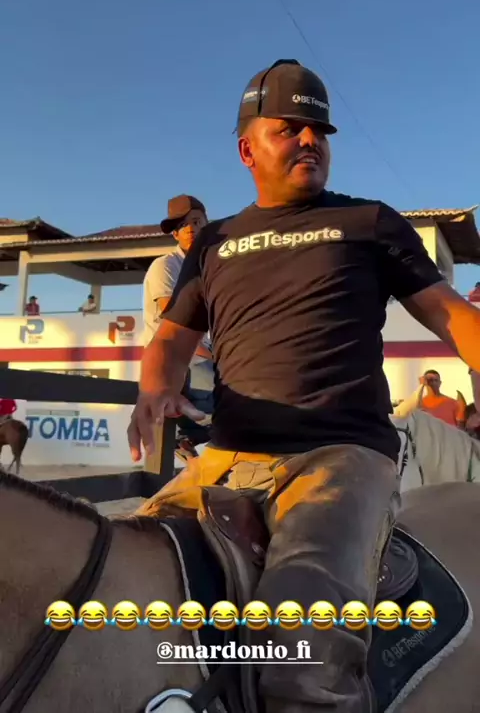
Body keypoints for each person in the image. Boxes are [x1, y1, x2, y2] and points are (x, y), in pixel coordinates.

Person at [129, 58, 480, 713]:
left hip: (341, 457)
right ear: (247, 150)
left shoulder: (369, 222)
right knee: (119, 586)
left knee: (302, 659)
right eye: (289, 129)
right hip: (227, 459)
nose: (310, 140)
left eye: (318, 130)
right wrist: (155, 388)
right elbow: (171, 340)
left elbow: (451, 315)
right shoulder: (213, 243)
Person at [142, 194, 214, 451]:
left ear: (207, 226)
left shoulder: (210, 268)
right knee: (221, 390)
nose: (190, 229)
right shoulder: (166, 266)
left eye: (196, 222)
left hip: (203, 349)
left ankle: (188, 440)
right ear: (175, 234)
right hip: (174, 350)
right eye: (182, 225)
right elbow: (176, 324)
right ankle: (183, 436)